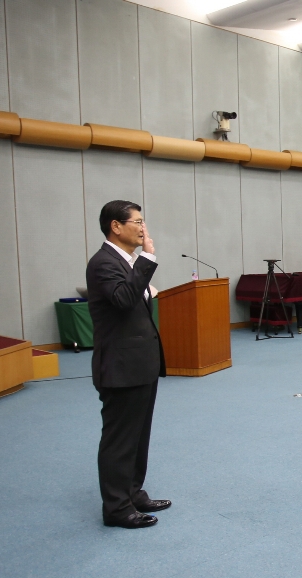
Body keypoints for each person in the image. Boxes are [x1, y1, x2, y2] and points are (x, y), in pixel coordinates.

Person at [86, 200, 169, 529]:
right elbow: (122, 300)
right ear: (115, 226)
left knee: (139, 435)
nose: (142, 227)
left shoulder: (127, 262)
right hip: (120, 368)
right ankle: (117, 508)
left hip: (140, 364)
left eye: (143, 221)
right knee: (119, 439)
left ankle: (133, 491)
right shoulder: (103, 263)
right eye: (136, 221)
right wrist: (148, 258)